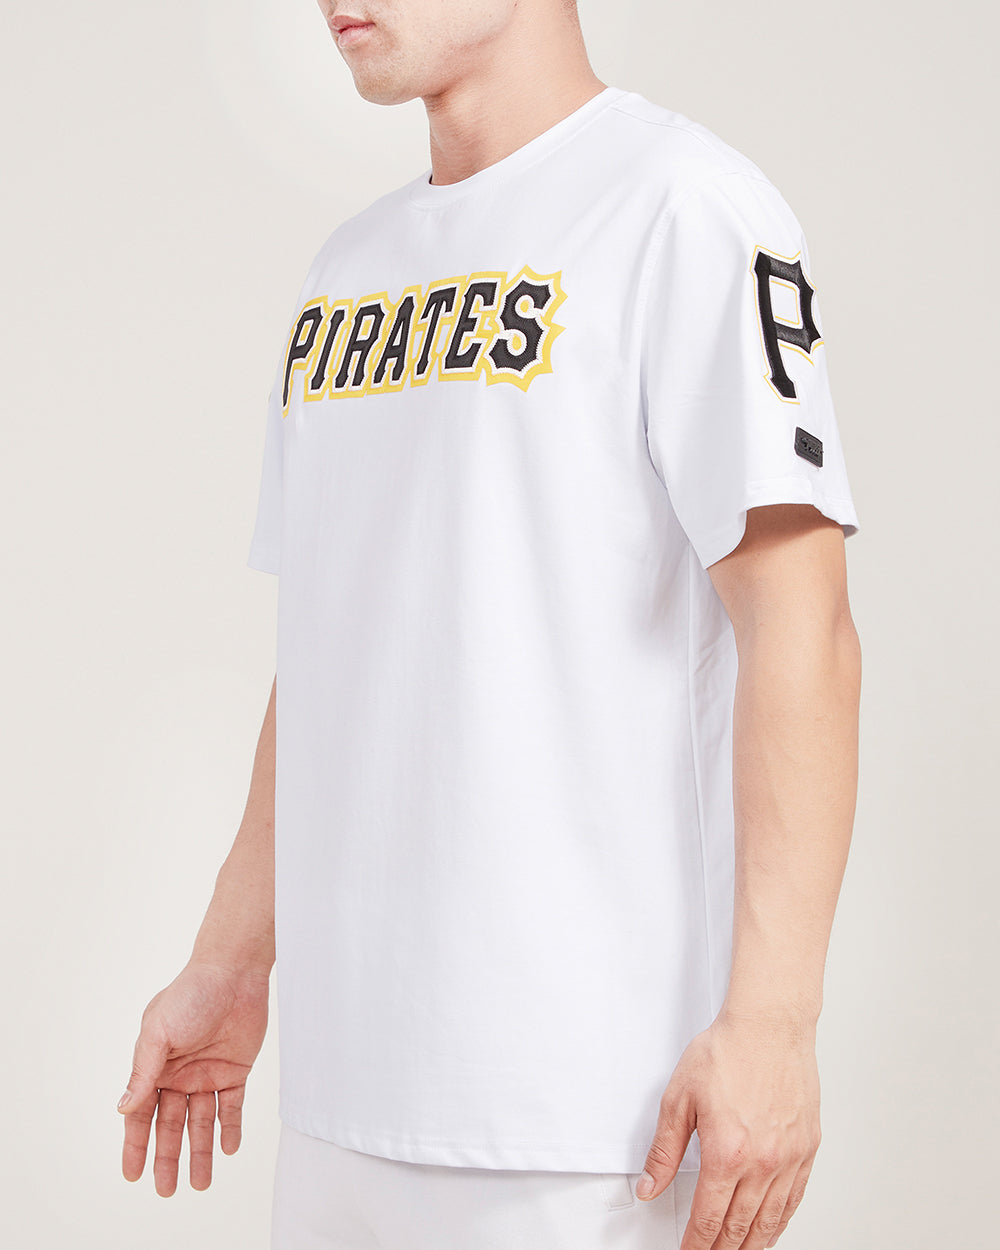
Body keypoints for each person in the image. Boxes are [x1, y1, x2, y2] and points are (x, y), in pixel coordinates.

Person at [117, 3, 862, 1248]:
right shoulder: (346, 270)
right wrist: (231, 959)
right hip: (340, 1103)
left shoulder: (681, 208)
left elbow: (804, 625)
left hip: (588, 1119)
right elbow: (334, 647)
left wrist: (775, 1023)